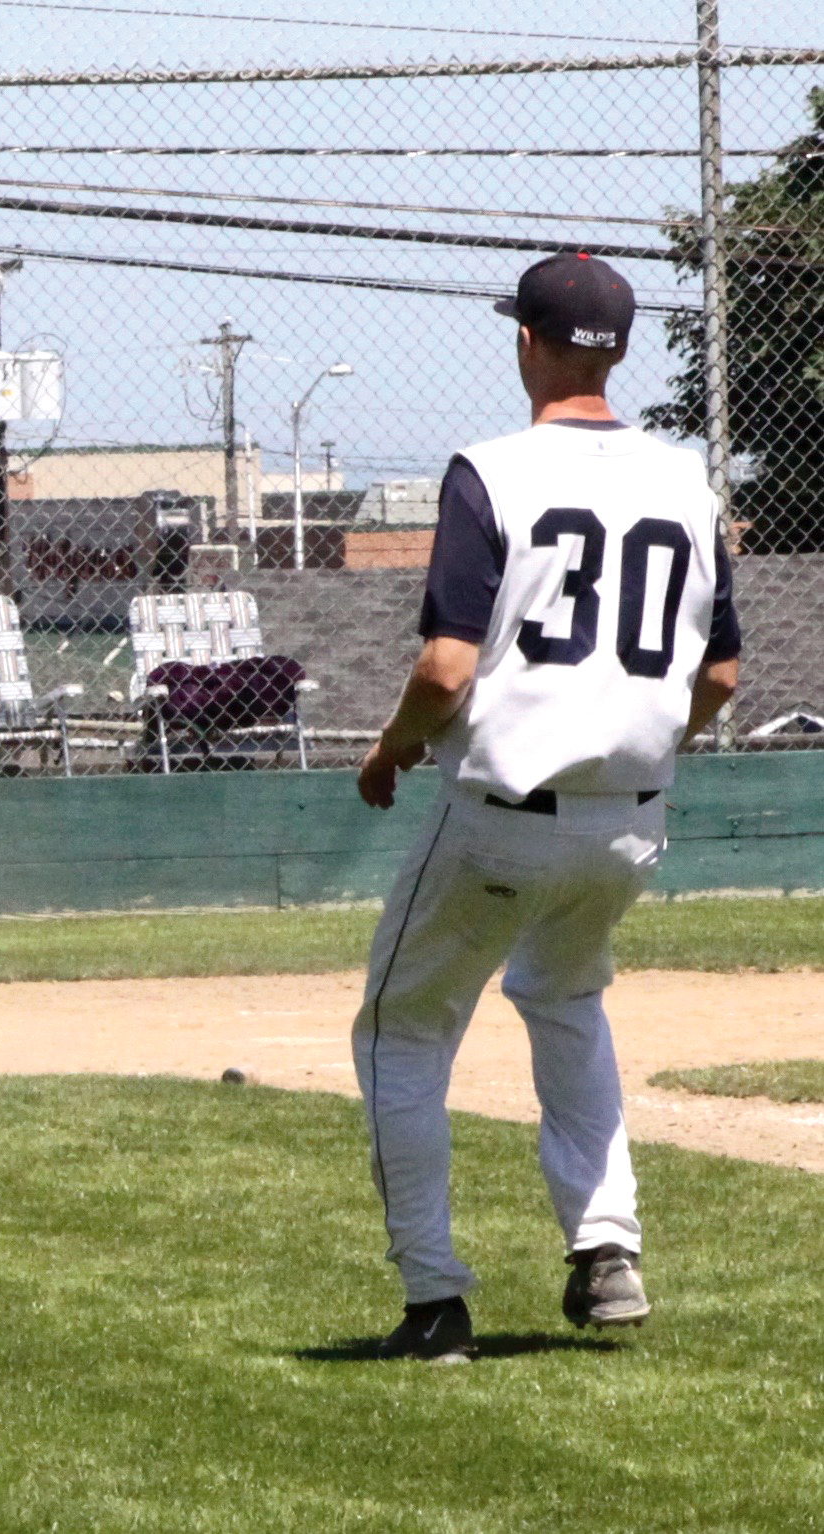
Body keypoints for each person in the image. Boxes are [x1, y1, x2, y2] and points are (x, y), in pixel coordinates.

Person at [351, 253, 742, 1362]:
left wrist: (387, 749)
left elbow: (441, 670)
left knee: (401, 1027)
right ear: (616, 350)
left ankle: (433, 1302)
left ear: (527, 340)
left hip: (501, 809)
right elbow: (716, 681)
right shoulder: (687, 482)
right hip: (629, 819)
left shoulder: (490, 471)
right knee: (564, 994)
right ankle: (604, 1248)